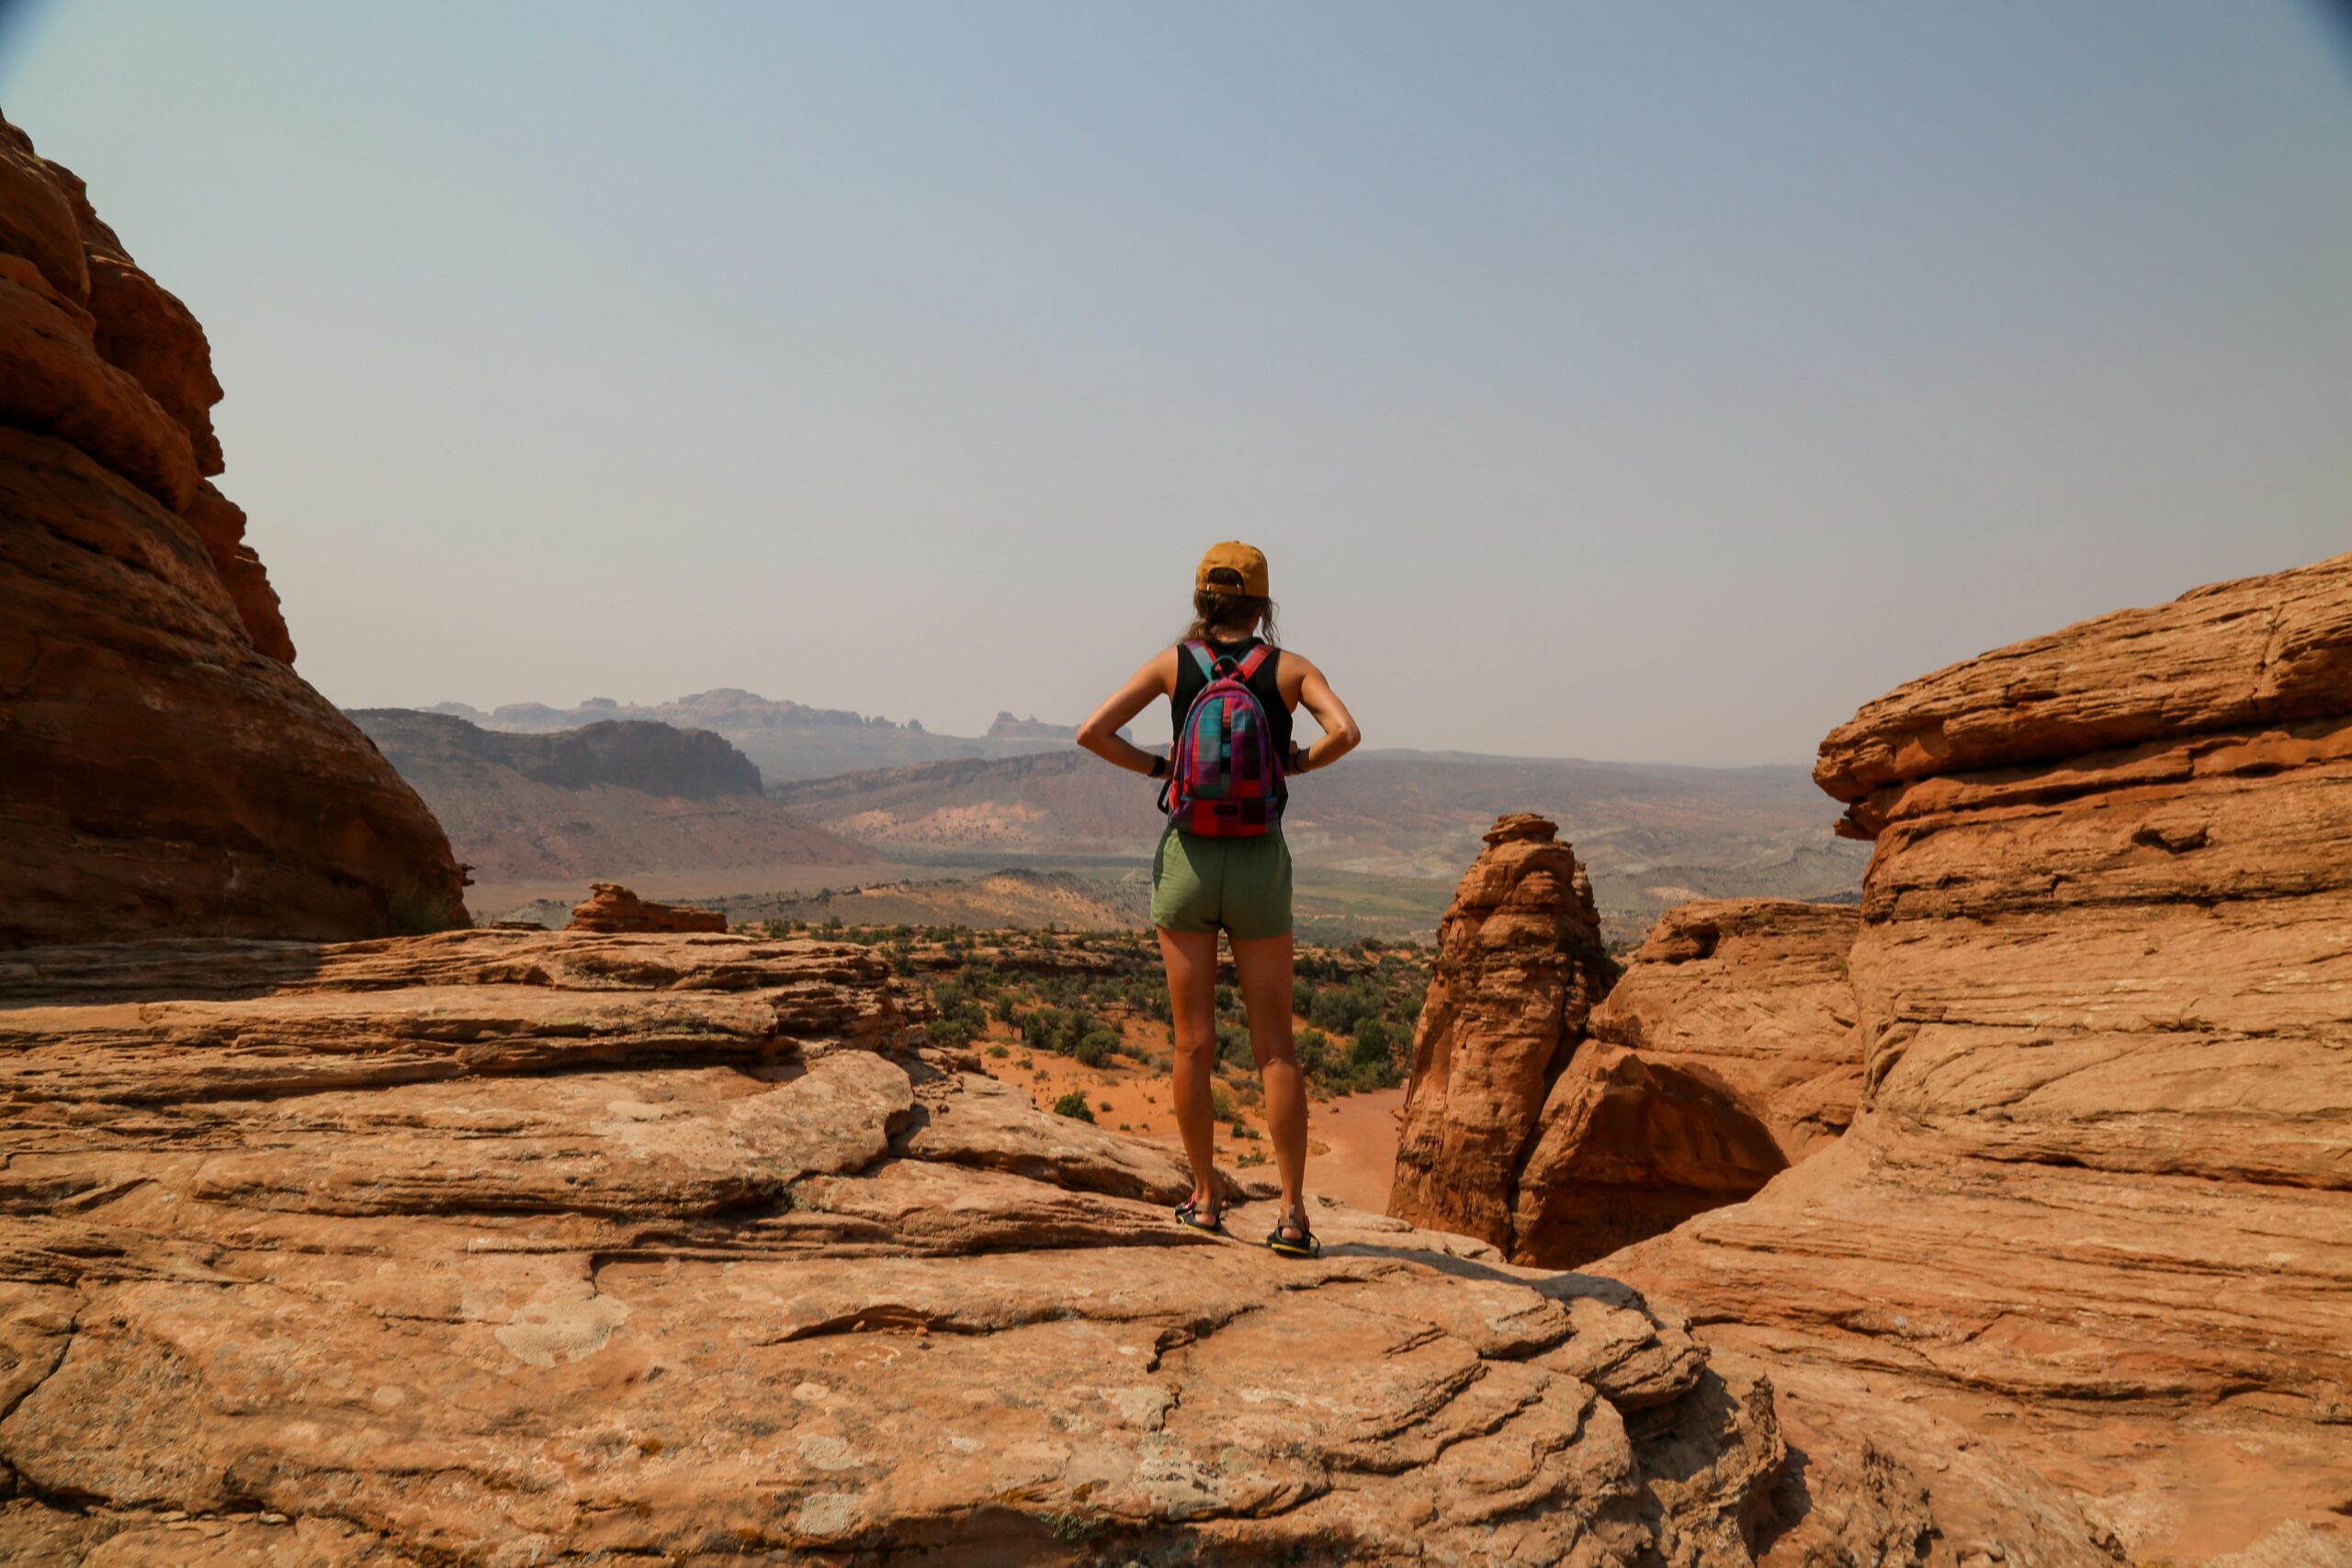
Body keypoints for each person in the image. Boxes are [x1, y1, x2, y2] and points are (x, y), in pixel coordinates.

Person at [1074, 542, 1362, 1258]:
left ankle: (1205, 1199)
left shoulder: (1175, 664)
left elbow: (1091, 732)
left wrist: (1161, 765)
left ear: (1202, 599)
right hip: (1260, 860)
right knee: (1275, 1048)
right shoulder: (1290, 669)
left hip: (1189, 859)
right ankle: (1293, 1216)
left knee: (1192, 1042)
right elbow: (1347, 733)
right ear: (1262, 602)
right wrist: (1294, 760)